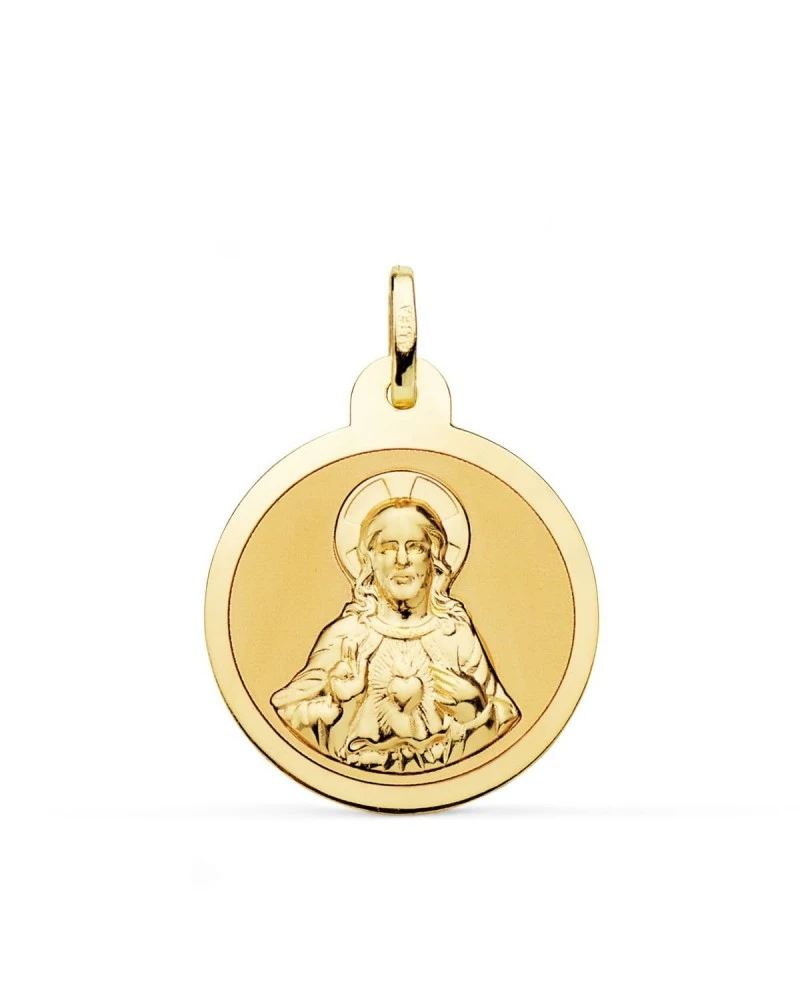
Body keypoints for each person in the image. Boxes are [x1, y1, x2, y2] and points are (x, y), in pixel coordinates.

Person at [271, 496, 520, 771]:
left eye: (415, 547)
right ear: (370, 560)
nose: (402, 560)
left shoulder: (454, 635)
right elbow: (286, 716)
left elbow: (504, 722)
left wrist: (474, 700)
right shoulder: (347, 636)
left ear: (434, 558)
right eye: (388, 549)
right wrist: (337, 701)